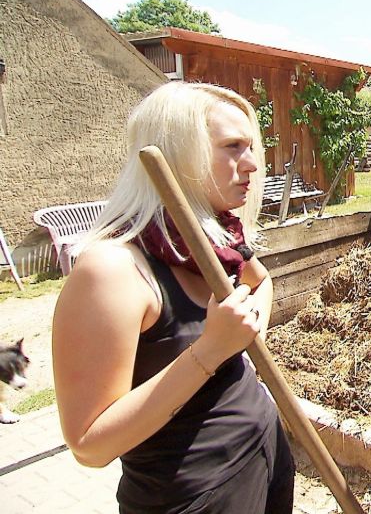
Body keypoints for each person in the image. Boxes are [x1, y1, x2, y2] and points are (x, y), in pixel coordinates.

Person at [52, 82, 295, 513]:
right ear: (181, 154)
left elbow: (261, 281)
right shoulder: (111, 271)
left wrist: (252, 321)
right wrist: (212, 350)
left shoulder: (212, 242)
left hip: (264, 456)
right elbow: (89, 446)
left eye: (250, 146)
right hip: (194, 496)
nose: (254, 164)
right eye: (233, 147)